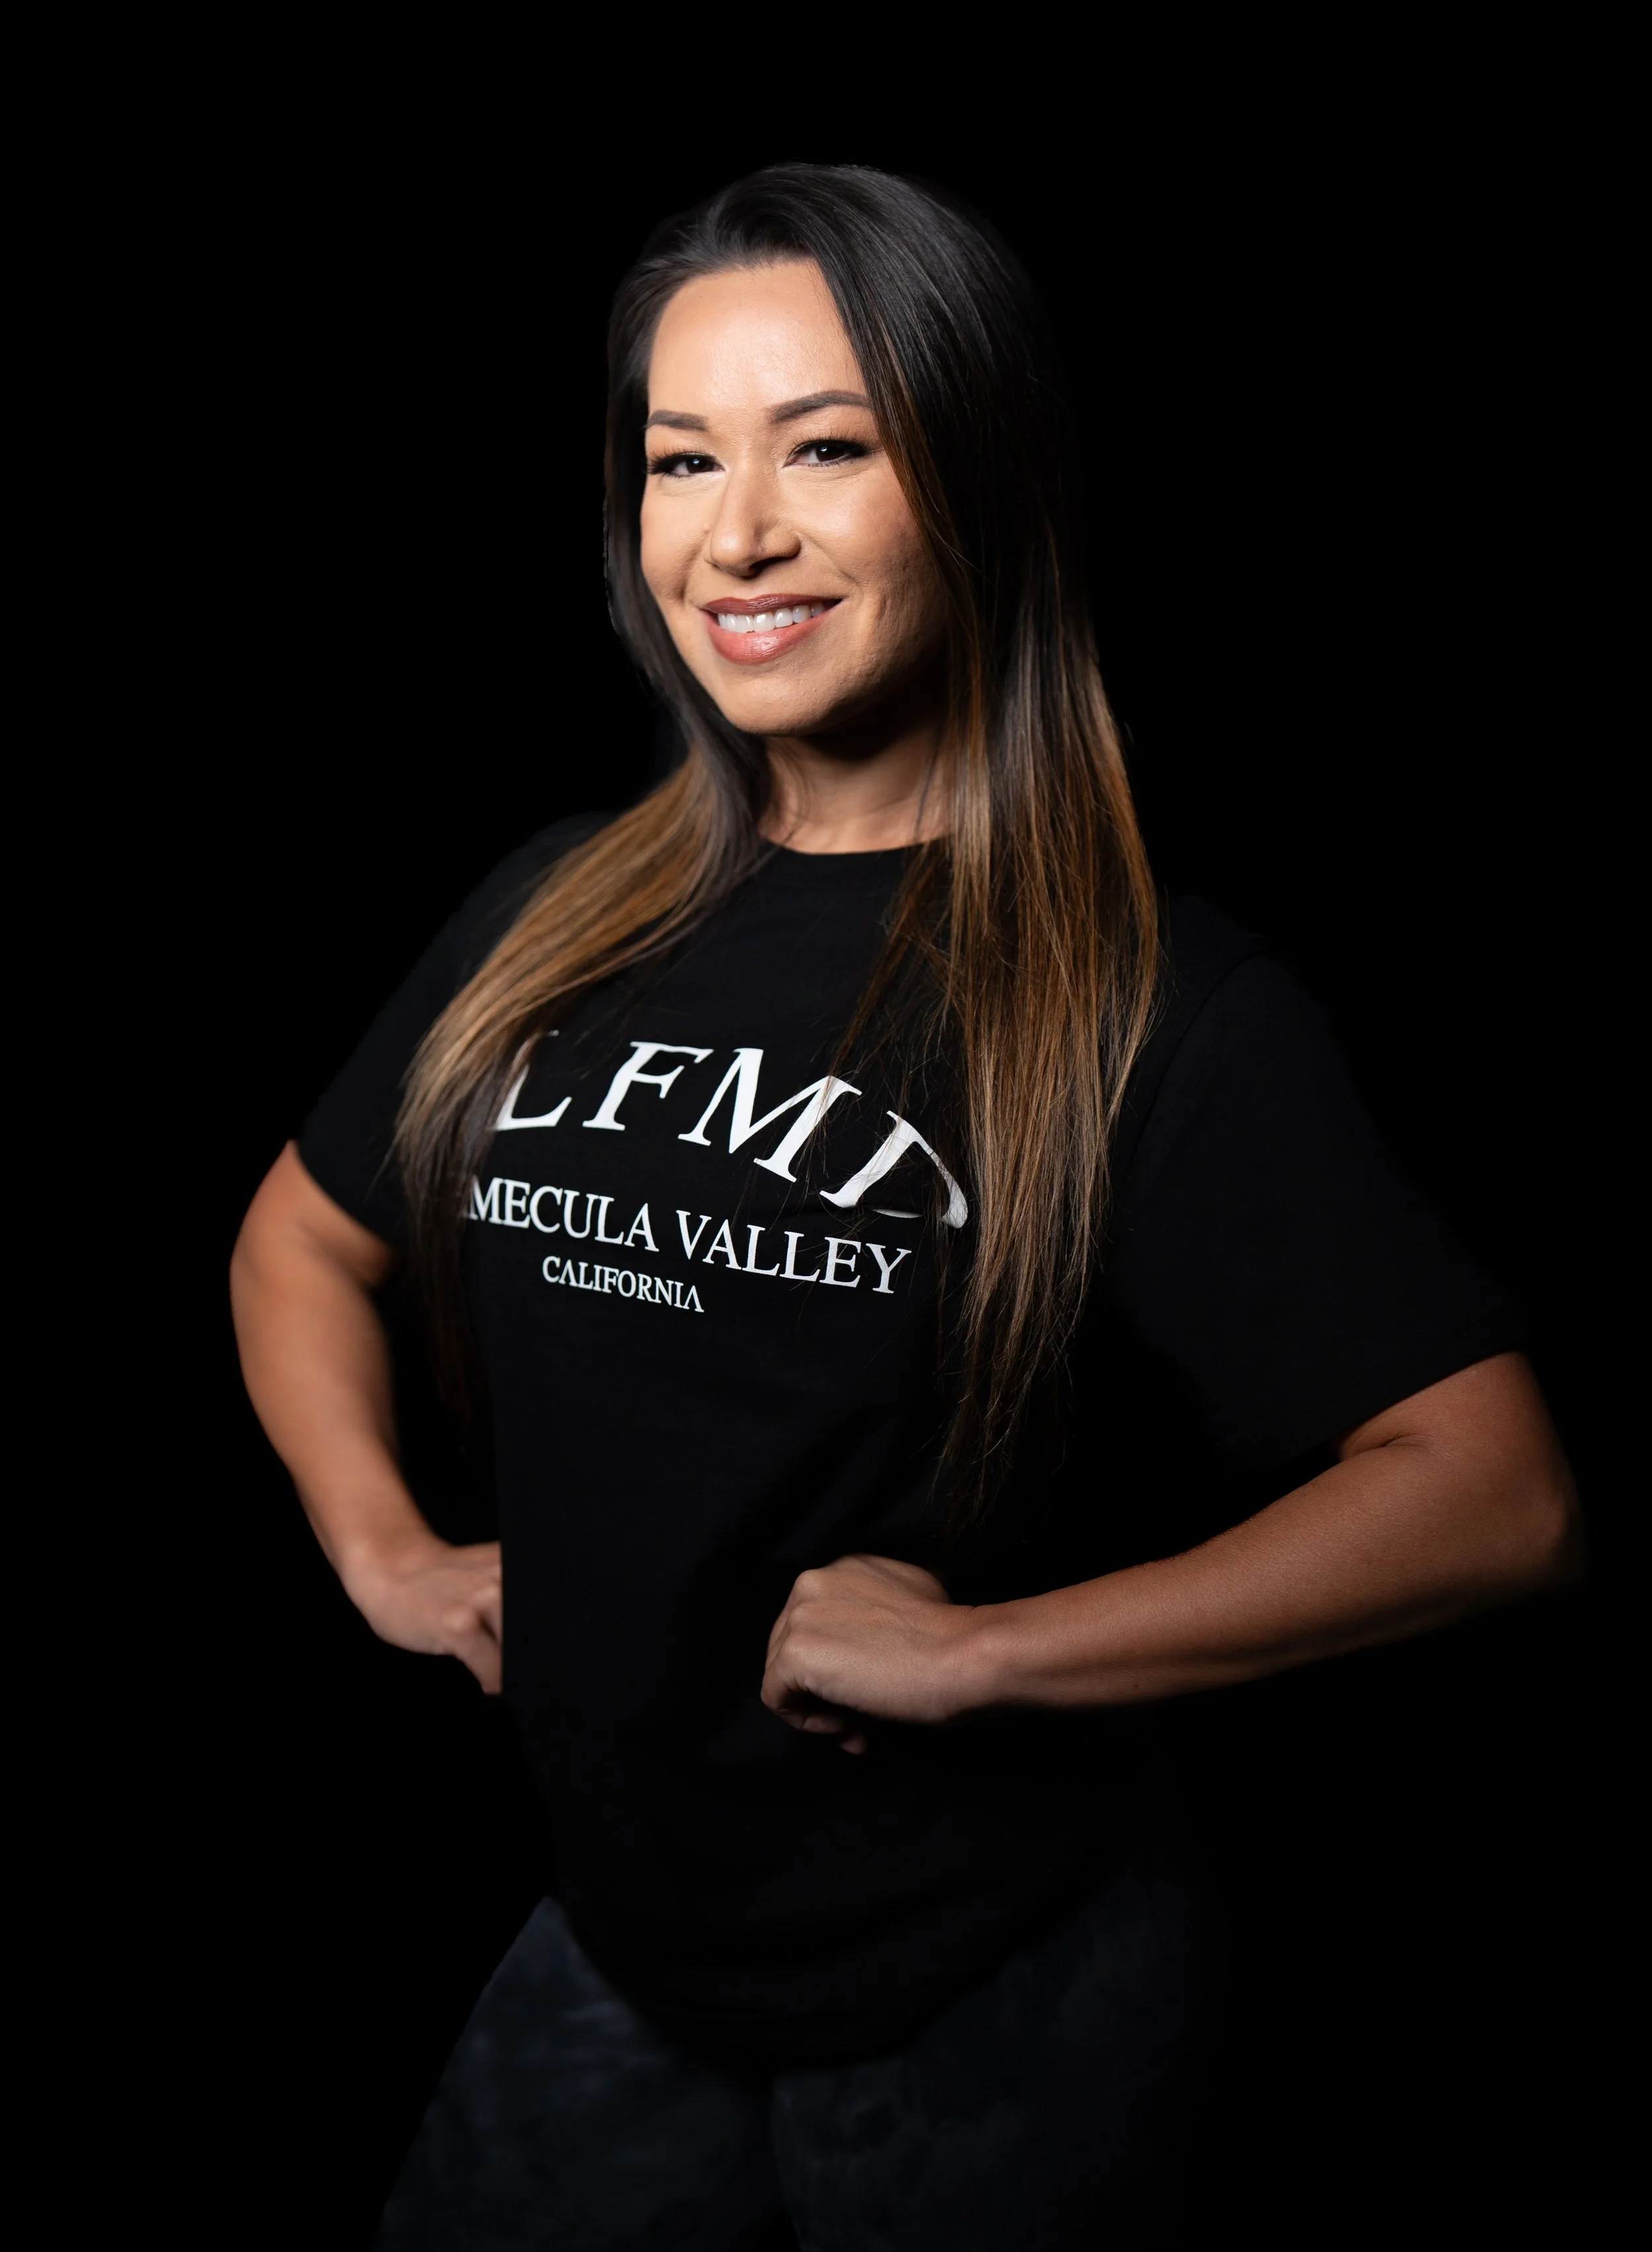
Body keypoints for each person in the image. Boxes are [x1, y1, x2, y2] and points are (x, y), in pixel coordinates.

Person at [230, 164, 1582, 2251]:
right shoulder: (553, 913)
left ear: (980, 479)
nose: (735, 534)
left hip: (994, 1996)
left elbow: (1493, 1491)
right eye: (682, 457)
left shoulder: (1144, 1003)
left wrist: (990, 1656)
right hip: (623, 1949)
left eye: (826, 447)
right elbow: (302, 1237)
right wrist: (382, 1546)